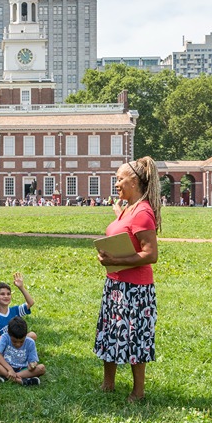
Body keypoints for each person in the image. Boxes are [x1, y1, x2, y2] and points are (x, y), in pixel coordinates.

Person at [94, 156, 162, 403]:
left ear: (134, 182)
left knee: (135, 337)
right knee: (110, 332)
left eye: (120, 179)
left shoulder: (143, 212)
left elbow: (151, 254)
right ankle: (108, 383)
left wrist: (116, 260)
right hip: (115, 284)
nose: (117, 183)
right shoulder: (129, 209)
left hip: (135, 289)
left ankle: (138, 391)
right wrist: (120, 215)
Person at [0, 316, 45, 386]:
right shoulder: (5, 337)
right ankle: (22, 381)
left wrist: (32, 365)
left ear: (25, 335)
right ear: (8, 333)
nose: (18, 344)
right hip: (6, 367)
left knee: (41, 368)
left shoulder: (30, 342)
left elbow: (33, 361)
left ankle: (7, 377)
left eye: (21, 341)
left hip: (22, 369)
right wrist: (10, 369)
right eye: (14, 341)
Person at [0, 272, 36, 353]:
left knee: (32, 335)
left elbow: (30, 303)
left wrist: (21, 287)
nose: (6, 296)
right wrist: (9, 344)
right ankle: (8, 354)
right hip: (4, 344)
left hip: (18, 341)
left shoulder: (15, 310)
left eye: (8, 294)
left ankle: (18, 352)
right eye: (2, 294)